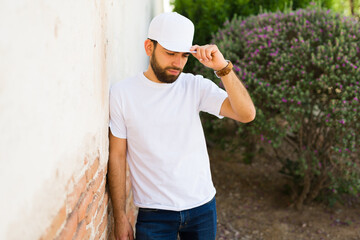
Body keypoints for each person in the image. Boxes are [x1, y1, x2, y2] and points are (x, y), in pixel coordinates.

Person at [108, 12, 256, 240]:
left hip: (202, 208)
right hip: (154, 213)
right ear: (149, 47)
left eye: (184, 55)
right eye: (170, 54)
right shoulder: (122, 94)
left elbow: (247, 114)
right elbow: (117, 156)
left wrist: (223, 68)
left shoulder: (194, 86)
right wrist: (119, 216)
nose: (178, 63)